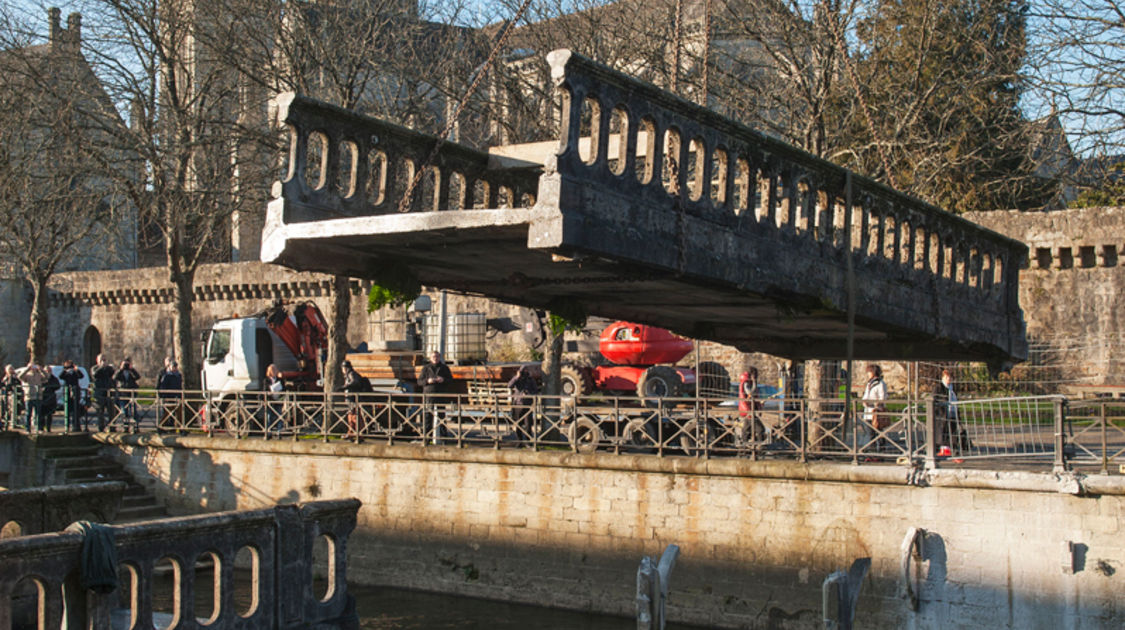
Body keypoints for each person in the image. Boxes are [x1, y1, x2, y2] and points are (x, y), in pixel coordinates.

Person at [418, 351, 453, 443]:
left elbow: (450, 380)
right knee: (428, 416)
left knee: (442, 416)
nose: (435, 358)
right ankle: (426, 438)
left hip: (441, 394)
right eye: (433, 357)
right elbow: (419, 381)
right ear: (430, 358)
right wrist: (428, 381)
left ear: (439, 357)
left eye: (437, 357)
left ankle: (444, 438)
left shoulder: (444, 368)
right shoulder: (426, 368)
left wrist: (443, 380)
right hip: (429, 394)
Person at [338, 361, 373, 437]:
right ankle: (353, 432)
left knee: (354, 416)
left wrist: (344, 387)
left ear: (345, 368)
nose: (342, 370)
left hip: (353, 398)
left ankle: (355, 432)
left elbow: (355, 382)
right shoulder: (349, 374)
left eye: (343, 368)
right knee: (352, 415)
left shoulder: (351, 374)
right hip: (351, 398)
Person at [507, 365, 540, 441]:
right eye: (523, 371)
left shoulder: (530, 380)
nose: (525, 372)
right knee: (519, 424)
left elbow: (535, 391)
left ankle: (528, 440)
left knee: (528, 424)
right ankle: (519, 441)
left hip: (528, 404)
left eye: (526, 370)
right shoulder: (517, 379)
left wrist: (529, 394)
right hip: (518, 404)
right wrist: (517, 377)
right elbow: (509, 386)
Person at [861, 363, 888, 454]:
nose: (867, 374)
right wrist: (864, 402)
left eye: (869, 372)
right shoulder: (869, 383)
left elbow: (883, 398)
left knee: (879, 433)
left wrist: (874, 403)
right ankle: (872, 452)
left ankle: (881, 451)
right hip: (868, 413)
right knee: (870, 433)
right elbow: (865, 396)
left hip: (876, 413)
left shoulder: (881, 384)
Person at [156, 360, 184, 430]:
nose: (174, 368)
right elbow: (163, 387)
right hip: (169, 397)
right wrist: (164, 396)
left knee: (179, 413)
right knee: (167, 414)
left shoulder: (178, 375)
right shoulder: (167, 376)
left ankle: (180, 428)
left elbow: (179, 386)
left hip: (177, 396)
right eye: (173, 367)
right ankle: (161, 427)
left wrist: (180, 395)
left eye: (175, 367)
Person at [90, 354, 116, 432]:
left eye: (104, 360)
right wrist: (101, 367)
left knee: (111, 411)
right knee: (100, 411)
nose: (103, 361)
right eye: (101, 360)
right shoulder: (94, 368)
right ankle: (101, 427)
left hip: (108, 392)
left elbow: (112, 374)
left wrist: (109, 367)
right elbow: (95, 375)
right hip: (99, 392)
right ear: (97, 360)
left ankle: (112, 427)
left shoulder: (108, 369)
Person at [114, 359, 141, 431]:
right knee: (124, 411)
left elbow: (138, 377)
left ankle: (135, 427)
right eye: (125, 364)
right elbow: (115, 377)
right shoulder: (120, 372)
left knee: (134, 411)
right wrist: (120, 369)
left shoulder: (131, 372)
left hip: (131, 394)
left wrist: (132, 369)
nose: (126, 366)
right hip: (123, 394)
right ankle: (126, 427)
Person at [17, 363, 45, 432]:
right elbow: (19, 376)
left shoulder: (39, 375)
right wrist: (27, 369)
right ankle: (28, 428)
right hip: (29, 396)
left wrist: (42, 370)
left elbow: (46, 377)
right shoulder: (27, 376)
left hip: (38, 396)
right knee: (28, 413)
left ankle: (38, 427)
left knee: (38, 413)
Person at [59, 361, 85, 432]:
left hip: (75, 392)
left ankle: (76, 426)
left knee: (75, 409)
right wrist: (65, 370)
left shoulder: (75, 373)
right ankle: (66, 426)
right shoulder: (66, 373)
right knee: (67, 409)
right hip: (67, 392)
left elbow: (81, 376)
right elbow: (61, 376)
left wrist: (76, 370)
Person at [737, 368, 761, 441]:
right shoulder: (746, 383)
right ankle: (760, 445)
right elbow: (750, 393)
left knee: (747, 429)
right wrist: (754, 382)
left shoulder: (747, 382)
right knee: (760, 429)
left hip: (749, 410)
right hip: (747, 409)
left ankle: (744, 446)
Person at [265, 364, 286, 436]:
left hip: (278, 400)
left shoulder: (280, 380)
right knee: (269, 416)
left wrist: (280, 395)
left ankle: (279, 431)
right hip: (270, 400)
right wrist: (269, 393)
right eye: (272, 370)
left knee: (279, 415)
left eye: (275, 370)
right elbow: (264, 390)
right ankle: (268, 431)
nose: (274, 372)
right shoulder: (266, 380)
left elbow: (284, 390)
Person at [40, 366, 61, 433]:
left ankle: (48, 428)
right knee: (41, 414)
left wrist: (51, 387)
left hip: (51, 398)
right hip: (42, 397)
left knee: (49, 415)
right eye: (47, 370)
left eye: (49, 371)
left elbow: (58, 386)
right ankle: (41, 428)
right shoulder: (41, 378)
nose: (48, 372)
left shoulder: (53, 378)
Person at [1, 365, 21, 429]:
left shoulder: (16, 378)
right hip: (6, 396)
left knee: (15, 410)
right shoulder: (5, 379)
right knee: (5, 410)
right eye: (9, 369)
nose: (11, 370)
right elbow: (5, 386)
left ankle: (14, 423)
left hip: (14, 396)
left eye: (12, 369)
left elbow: (17, 385)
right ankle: (5, 423)